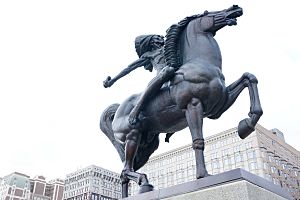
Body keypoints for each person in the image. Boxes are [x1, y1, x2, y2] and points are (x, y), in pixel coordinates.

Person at [103, 34, 175, 126]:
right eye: (158, 38)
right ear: (152, 42)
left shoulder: (170, 47)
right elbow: (129, 68)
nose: (161, 39)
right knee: (167, 71)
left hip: (177, 72)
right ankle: (137, 108)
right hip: (162, 77)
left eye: (161, 38)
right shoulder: (149, 55)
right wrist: (112, 80)